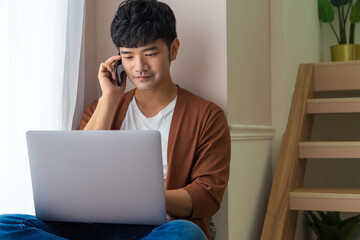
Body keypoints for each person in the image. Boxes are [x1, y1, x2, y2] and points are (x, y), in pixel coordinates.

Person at [0, 0, 230, 239]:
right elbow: (78, 168)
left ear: (173, 49)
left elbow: (207, 197)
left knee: (186, 232)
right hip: (91, 226)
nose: (139, 66)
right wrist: (109, 98)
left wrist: (143, 198)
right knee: (5, 225)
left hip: (156, 229)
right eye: (128, 56)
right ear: (118, 59)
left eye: (150, 54)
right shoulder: (100, 108)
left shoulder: (207, 116)